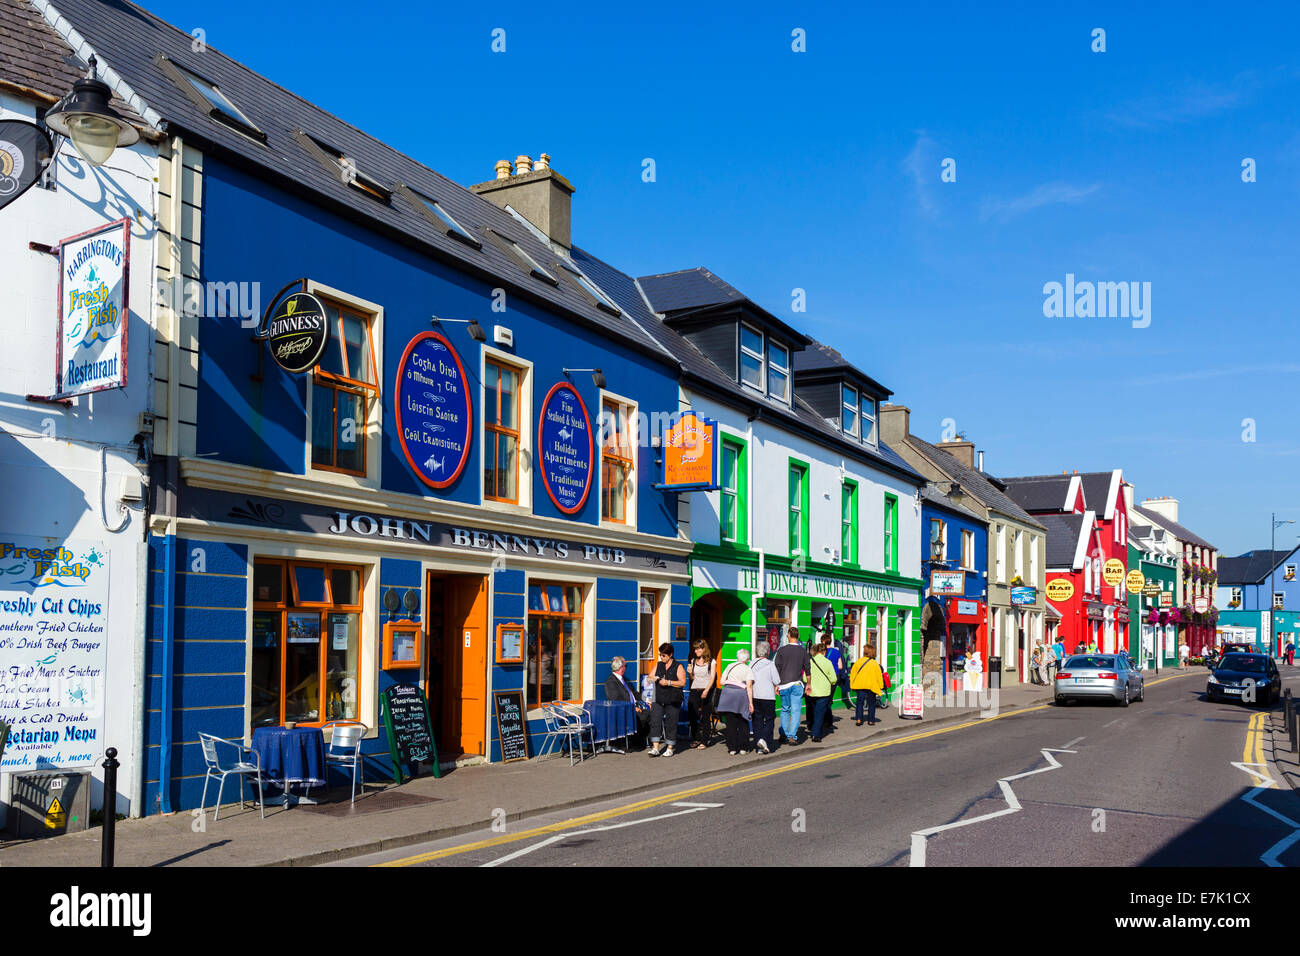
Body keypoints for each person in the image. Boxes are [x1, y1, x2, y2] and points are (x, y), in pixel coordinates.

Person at [648, 643, 686, 757]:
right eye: (660, 655)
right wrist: (653, 678)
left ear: (670, 655)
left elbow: (682, 682)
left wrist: (668, 682)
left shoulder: (678, 666)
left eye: (664, 655)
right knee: (655, 721)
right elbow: (649, 678)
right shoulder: (658, 664)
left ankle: (670, 748)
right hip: (658, 698)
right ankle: (655, 748)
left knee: (671, 723)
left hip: (673, 699)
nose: (661, 657)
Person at [604, 656, 650, 747]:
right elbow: (616, 700)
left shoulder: (624, 679)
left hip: (634, 707)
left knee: (653, 712)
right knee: (645, 715)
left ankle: (647, 740)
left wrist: (648, 700)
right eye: (626, 665)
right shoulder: (611, 682)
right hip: (623, 710)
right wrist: (633, 708)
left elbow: (635, 694)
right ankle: (639, 741)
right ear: (621, 667)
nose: (626, 668)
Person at [773, 628, 810, 746]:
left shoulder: (781, 650)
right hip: (797, 684)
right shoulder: (803, 651)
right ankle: (792, 737)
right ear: (798, 636)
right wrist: (809, 684)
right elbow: (808, 669)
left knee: (784, 709)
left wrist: (775, 685)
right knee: (795, 710)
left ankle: (784, 734)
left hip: (783, 684)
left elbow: (776, 669)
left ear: (788, 635)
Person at [715, 649, 755, 755]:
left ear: (737, 657)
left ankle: (732, 748)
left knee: (731, 723)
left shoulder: (730, 666)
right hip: (741, 696)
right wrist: (751, 703)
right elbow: (749, 686)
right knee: (743, 722)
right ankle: (743, 747)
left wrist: (731, 682)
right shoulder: (748, 669)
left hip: (728, 695)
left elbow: (721, 681)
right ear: (747, 659)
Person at [749, 641, 781, 753]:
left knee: (757, 720)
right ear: (768, 652)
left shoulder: (751, 663)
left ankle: (759, 746)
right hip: (768, 697)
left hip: (755, 696)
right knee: (769, 720)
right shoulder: (770, 664)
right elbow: (777, 680)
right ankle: (765, 740)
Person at [685, 640, 716, 750]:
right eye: (695, 649)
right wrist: (689, 672)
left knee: (706, 716)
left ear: (704, 649)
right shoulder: (693, 661)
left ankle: (704, 740)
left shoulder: (712, 662)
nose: (696, 651)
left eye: (698, 648)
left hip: (706, 690)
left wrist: (706, 690)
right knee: (692, 714)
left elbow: (712, 678)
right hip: (694, 690)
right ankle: (696, 738)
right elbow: (693, 678)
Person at [806, 643, 838, 742]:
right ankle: (816, 735)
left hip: (811, 692)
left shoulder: (810, 661)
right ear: (824, 651)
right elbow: (833, 679)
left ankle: (812, 729)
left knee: (812, 711)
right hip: (824, 692)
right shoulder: (828, 662)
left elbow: (804, 677)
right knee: (819, 714)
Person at [850, 642, 885, 725]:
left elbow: (853, 674)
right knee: (871, 703)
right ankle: (871, 720)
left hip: (860, 685)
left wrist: (852, 684)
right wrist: (881, 686)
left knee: (859, 703)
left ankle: (859, 719)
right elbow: (879, 676)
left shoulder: (858, 662)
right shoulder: (874, 663)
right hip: (871, 686)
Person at [823, 637, 844, 725]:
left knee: (823, 698)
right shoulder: (836, 652)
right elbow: (840, 666)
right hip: (834, 678)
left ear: (823, 641)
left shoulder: (822, 651)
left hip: (825, 677)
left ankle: (825, 719)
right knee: (830, 698)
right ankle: (829, 720)